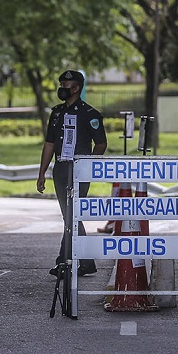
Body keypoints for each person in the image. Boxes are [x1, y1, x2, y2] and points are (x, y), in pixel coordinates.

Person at [36, 70, 107, 276]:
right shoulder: (57, 112)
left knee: (72, 215)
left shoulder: (89, 114)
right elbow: (49, 143)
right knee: (70, 216)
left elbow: (101, 143)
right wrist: (42, 173)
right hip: (61, 169)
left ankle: (64, 261)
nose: (62, 88)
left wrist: (89, 166)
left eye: (66, 84)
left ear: (76, 88)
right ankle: (84, 263)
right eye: (61, 83)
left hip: (79, 171)